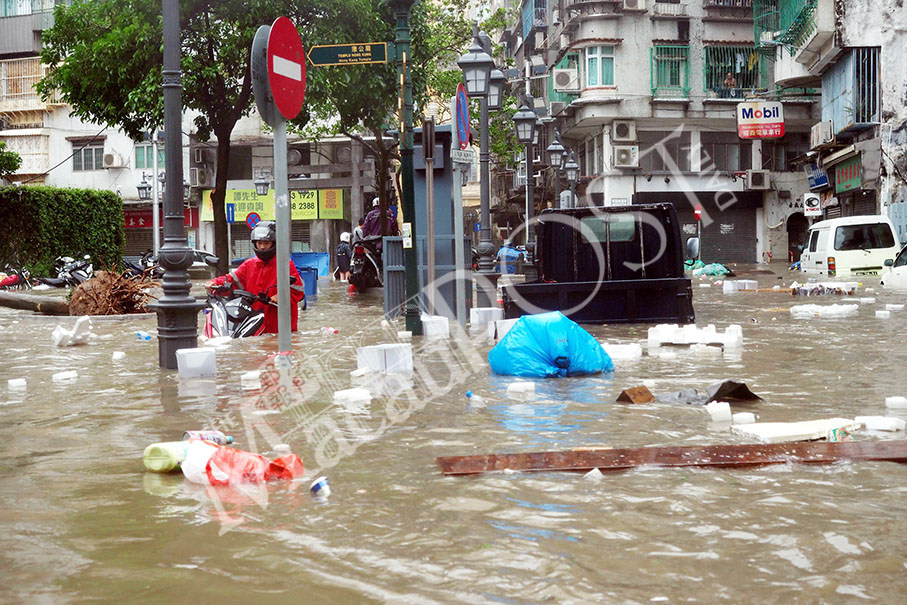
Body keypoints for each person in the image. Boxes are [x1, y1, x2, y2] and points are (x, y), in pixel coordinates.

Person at [205, 221, 304, 333]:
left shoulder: (285, 264)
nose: (262, 247)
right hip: (253, 324)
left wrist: (280, 297)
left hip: (280, 327)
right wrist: (215, 283)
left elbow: (298, 290)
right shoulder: (249, 264)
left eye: (266, 243)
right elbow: (231, 280)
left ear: (274, 243)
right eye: (259, 243)